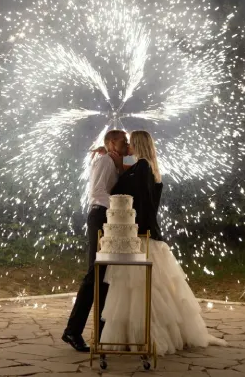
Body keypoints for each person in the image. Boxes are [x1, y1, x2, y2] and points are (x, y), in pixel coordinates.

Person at [99, 130, 227, 355]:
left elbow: (124, 193)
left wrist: (118, 167)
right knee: (156, 287)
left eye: (130, 142)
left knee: (139, 290)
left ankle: (145, 336)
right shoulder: (148, 167)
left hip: (141, 235)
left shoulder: (141, 168)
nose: (127, 145)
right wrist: (118, 164)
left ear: (137, 144)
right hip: (148, 233)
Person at [61, 129, 130, 352]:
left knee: (102, 276)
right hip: (100, 216)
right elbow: (97, 192)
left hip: (105, 217)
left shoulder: (112, 160)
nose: (126, 144)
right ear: (111, 143)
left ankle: (100, 332)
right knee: (95, 273)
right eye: (122, 141)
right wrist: (119, 207)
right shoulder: (105, 161)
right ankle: (73, 331)